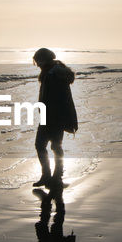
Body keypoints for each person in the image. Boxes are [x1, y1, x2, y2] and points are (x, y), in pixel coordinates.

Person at [31, 47, 77, 188]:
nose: (36, 63)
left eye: (38, 60)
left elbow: (59, 97)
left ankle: (55, 177)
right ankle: (49, 176)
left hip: (55, 116)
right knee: (46, 146)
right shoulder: (49, 71)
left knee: (50, 146)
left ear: (44, 59)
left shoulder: (54, 72)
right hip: (48, 115)